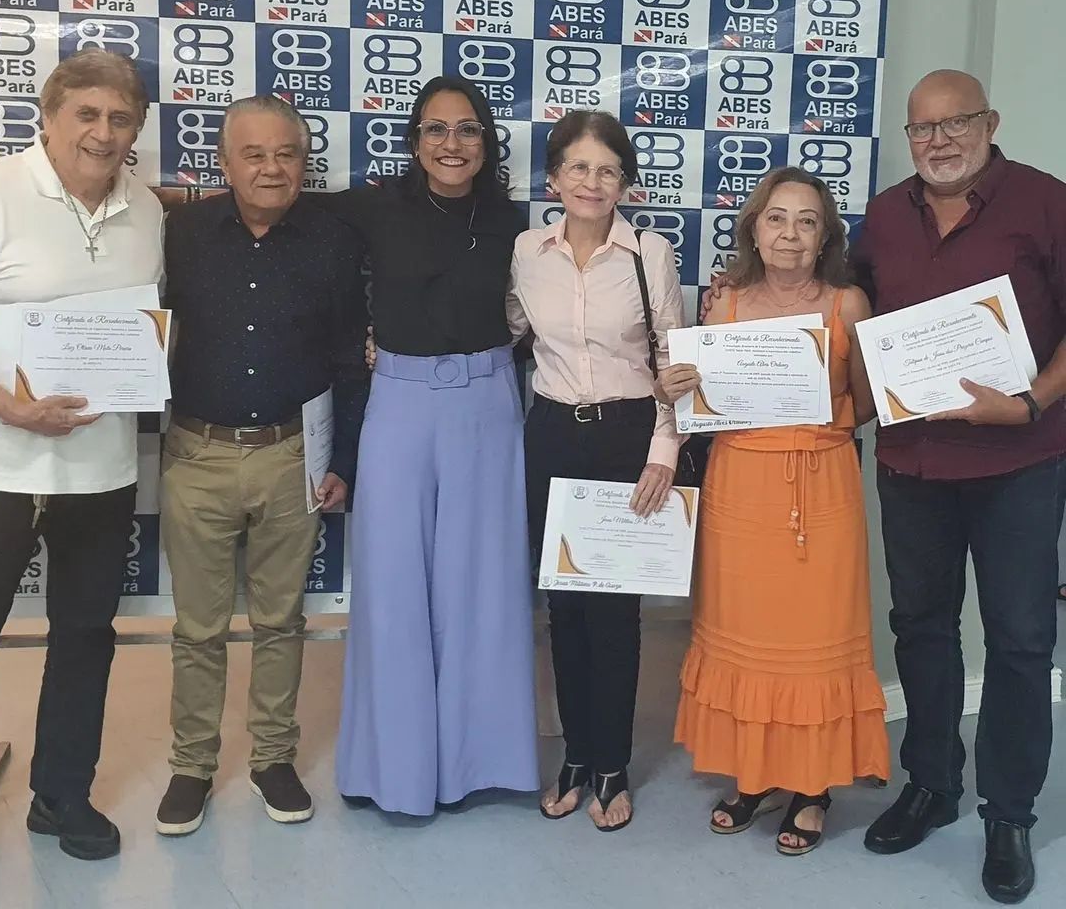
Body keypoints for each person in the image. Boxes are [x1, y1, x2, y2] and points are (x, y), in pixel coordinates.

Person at [853, 71, 1066, 905]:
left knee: (1020, 642)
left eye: (956, 123)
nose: (938, 141)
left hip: (1020, 462)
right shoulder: (883, 216)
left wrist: (1029, 402)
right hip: (913, 464)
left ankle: (1007, 814)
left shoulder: (1046, 202)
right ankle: (932, 785)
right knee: (922, 627)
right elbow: (845, 308)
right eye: (922, 128)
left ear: (990, 122)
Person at [659, 167, 890, 855]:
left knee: (813, 645)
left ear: (826, 237)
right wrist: (676, 386)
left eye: (807, 221)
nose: (791, 234)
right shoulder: (722, 305)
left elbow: (867, 405)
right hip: (739, 489)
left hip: (822, 487)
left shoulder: (848, 305)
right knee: (745, 637)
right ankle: (754, 777)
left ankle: (812, 788)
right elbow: (700, 407)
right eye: (777, 218)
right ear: (754, 231)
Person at [154, 95, 368, 835]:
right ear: (224, 162)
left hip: (291, 457)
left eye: (287, 154)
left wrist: (344, 458)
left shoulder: (333, 240)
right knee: (198, 628)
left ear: (304, 162)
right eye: (254, 154)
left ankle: (274, 758)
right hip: (197, 454)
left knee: (280, 621)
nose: (272, 168)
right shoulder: (181, 233)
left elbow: (349, 359)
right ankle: (191, 766)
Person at [329, 76, 538, 816]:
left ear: (487, 141)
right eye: (437, 129)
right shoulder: (374, 207)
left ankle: (479, 765)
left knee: (481, 587)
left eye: (468, 129)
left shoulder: (512, 221)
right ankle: (396, 771)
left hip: (488, 403)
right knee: (392, 587)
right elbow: (281, 211)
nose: (453, 143)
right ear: (415, 141)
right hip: (399, 403)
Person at [0, 50, 163, 859]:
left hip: (101, 470)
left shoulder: (147, 210)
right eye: (86, 114)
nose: (103, 133)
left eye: (121, 119)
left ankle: (61, 797)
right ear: (49, 117)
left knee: (85, 636)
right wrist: (10, 408)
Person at [507, 110, 684, 832]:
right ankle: (575, 756)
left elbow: (674, 362)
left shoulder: (651, 254)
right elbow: (504, 331)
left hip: (626, 435)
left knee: (614, 611)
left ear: (625, 184)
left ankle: (612, 763)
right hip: (551, 434)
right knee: (563, 609)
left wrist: (663, 451)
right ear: (553, 178)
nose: (592, 182)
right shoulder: (527, 251)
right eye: (578, 167)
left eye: (607, 170)